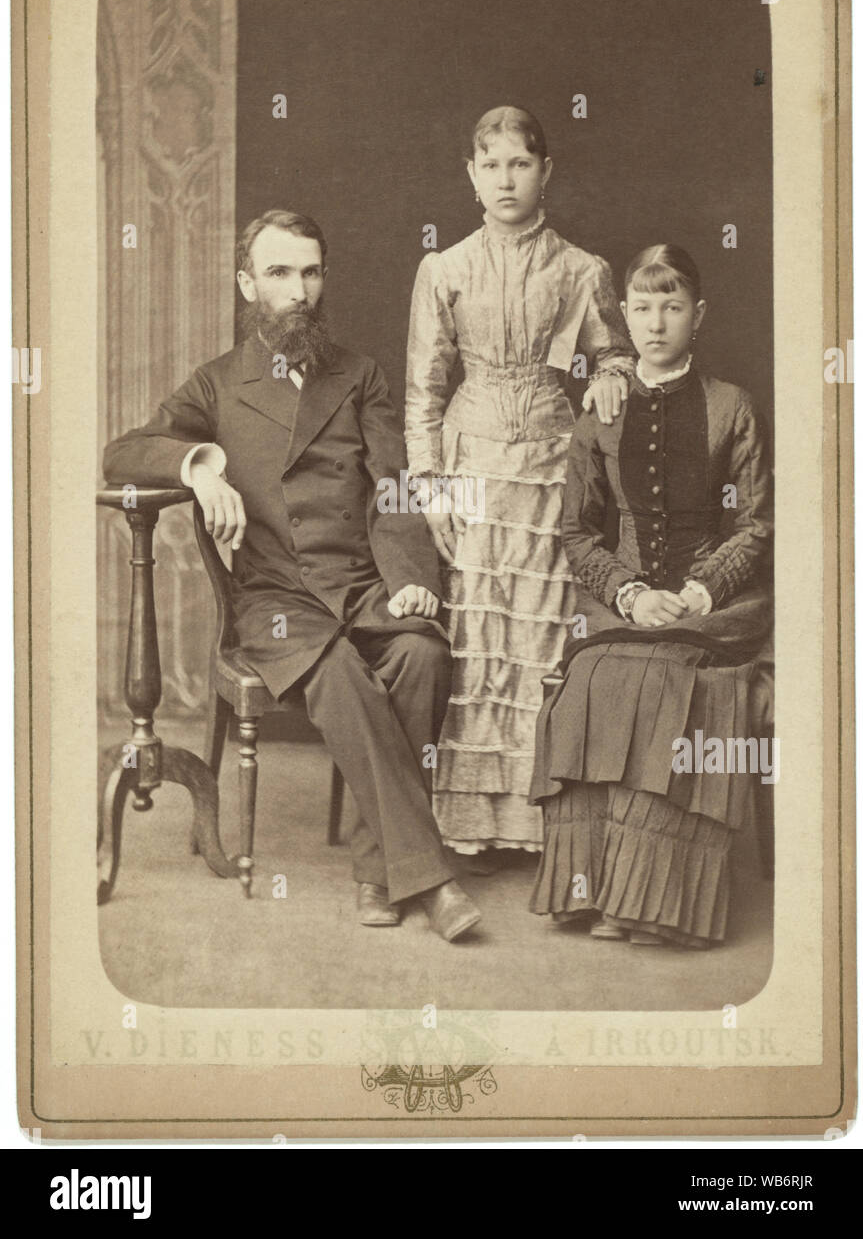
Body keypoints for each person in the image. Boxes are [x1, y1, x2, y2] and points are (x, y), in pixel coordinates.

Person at [103, 209, 482, 942]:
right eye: (278, 273)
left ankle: (380, 870)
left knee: (423, 651)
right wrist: (197, 465)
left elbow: (394, 486)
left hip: (362, 584)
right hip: (277, 600)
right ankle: (429, 877)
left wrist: (411, 576)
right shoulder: (216, 386)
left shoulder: (359, 375)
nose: (297, 290)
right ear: (248, 284)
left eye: (309, 271)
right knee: (337, 670)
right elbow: (124, 450)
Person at [404, 105, 635, 864]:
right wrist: (430, 484)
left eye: (520, 163)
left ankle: (540, 822)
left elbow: (615, 352)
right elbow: (423, 391)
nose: (506, 178)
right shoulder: (443, 268)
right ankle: (470, 824)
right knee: (476, 640)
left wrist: (608, 376)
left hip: (546, 463)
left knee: (540, 638)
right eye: (491, 164)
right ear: (470, 176)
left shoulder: (581, 269)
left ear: (545, 172)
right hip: (468, 465)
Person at [528, 244, 774, 947]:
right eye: (641, 307)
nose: (656, 322)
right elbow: (576, 531)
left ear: (698, 315)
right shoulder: (601, 410)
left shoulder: (732, 406)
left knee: (676, 677)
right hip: (623, 603)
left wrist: (699, 590)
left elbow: (756, 522)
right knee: (594, 678)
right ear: (624, 316)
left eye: (671, 306)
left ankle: (657, 904)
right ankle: (602, 892)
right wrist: (629, 594)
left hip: (713, 604)